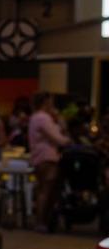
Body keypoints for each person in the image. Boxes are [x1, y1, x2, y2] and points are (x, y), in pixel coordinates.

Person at [28, 92, 69, 232]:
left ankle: (41, 221)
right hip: (47, 157)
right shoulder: (43, 118)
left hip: (39, 157)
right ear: (45, 102)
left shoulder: (35, 117)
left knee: (42, 190)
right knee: (46, 191)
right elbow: (58, 139)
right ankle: (41, 222)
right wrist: (67, 139)